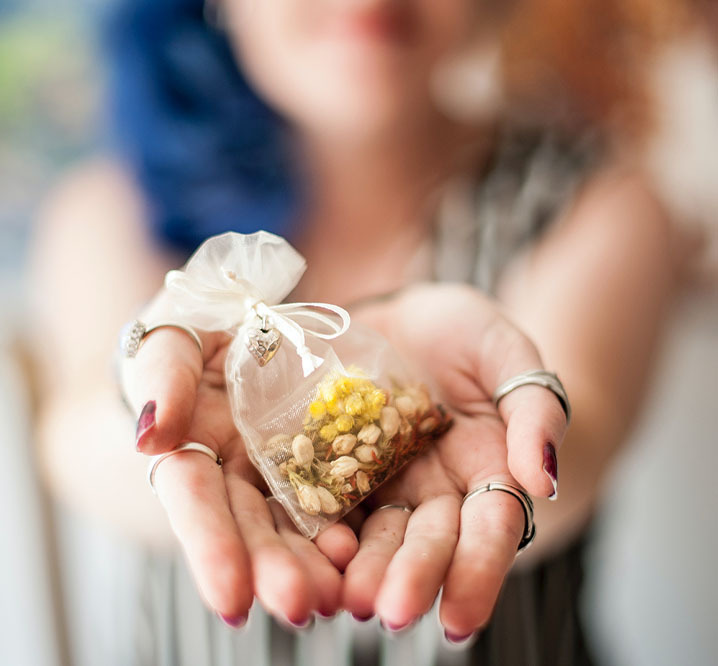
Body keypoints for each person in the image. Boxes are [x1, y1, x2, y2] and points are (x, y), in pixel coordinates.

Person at [29, 0, 686, 663]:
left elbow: (582, 440)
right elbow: (70, 439)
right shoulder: (115, 209)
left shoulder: (594, 200)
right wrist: (158, 407)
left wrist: (522, 441)